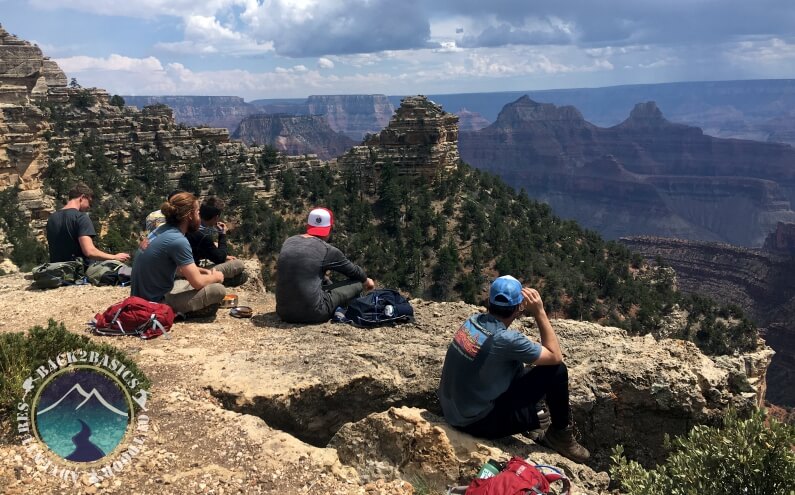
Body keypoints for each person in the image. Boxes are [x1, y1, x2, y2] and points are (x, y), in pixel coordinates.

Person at [437, 275, 590, 463]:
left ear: (489, 302)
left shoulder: (473, 321)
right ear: (519, 308)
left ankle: (535, 417)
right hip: (474, 423)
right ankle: (560, 436)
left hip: (451, 410)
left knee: (516, 363)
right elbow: (555, 356)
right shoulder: (506, 340)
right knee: (557, 371)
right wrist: (539, 312)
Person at [131, 192, 226, 317]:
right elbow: (197, 282)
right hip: (154, 303)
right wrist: (217, 277)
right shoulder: (178, 240)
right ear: (190, 216)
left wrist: (203, 271)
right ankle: (180, 314)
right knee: (217, 290)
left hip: (140, 296)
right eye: (197, 212)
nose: (199, 217)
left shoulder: (162, 229)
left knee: (189, 283)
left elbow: (175, 268)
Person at [276, 207, 374, 323]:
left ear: (308, 225)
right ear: (330, 228)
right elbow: (354, 271)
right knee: (358, 283)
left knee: (323, 279)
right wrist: (366, 280)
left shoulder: (289, 242)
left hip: (283, 312)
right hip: (314, 314)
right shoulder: (327, 250)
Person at [45, 183, 130, 264]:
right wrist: (114, 257)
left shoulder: (52, 218)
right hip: (77, 270)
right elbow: (89, 251)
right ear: (82, 197)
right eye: (89, 202)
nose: (89, 206)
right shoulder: (81, 217)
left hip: (56, 270)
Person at [185, 196, 246, 286]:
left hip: (184, 266)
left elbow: (200, 248)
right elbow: (220, 258)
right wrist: (222, 234)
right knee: (239, 265)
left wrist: (224, 255)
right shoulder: (203, 236)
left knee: (215, 245)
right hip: (191, 272)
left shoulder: (188, 223)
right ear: (216, 217)